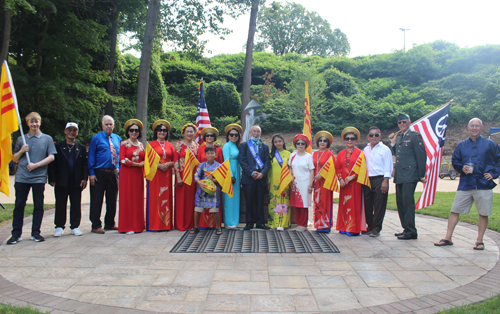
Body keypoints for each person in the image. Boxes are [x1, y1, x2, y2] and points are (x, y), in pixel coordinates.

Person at [435, 118, 500, 250]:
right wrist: (461, 168)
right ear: (468, 127)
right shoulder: (461, 145)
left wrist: (493, 174)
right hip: (466, 183)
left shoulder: (490, 144)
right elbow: (455, 160)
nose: (474, 128)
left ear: (482, 127)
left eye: (477, 126)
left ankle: (479, 241)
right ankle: (448, 237)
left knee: (483, 212)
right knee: (455, 210)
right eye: (472, 126)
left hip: (483, 184)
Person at [7, 112, 56, 244]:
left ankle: (36, 233)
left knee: (39, 205)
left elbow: (51, 156)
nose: (34, 124)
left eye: (36, 121)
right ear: (27, 123)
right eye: (31, 122)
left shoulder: (47, 139)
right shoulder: (21, 139)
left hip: (38, 177)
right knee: (19, 205)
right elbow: (15, 158)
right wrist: (22, 151)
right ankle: (16, 234)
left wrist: (36, 165)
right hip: (22, 177)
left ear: (40, 122)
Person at [389, 113, 427, 240]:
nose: (402, 124)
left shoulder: (415, 136)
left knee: (408, 202)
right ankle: (406, 228)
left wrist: (421, 174)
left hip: (410, 174)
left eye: (404, 122)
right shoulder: (399, 136)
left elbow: (421, 155)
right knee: (400, 203)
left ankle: (411, 231)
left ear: (409, 122)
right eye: (400, 122)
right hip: (400, 174)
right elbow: (397, 154)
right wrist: (393, 144)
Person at [48, 122, 88, 237]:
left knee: (76, 203)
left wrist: (84, 178)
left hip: (76, 180)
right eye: (69, 130)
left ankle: (75, 226)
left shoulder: (80, 147)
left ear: (77, 132)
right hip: (61, 179)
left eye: (74, 130)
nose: (72, 132)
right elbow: (52, 164)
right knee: (60, 203)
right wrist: (52, 178)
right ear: (65, 131)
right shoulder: (58, 146)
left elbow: (84, 164)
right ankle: (59, 226)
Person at [87, 115, 121, 234]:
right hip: (99, 173)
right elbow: (91, 156)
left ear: (114, 125)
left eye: (110, 124)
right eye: (106, 124)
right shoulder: (96, 138)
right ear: (102, 125)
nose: (108, 126)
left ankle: (110, 223)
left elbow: (120, 155)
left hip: (113, 173)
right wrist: (91, 173)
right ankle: (96, 224)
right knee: (97, 200)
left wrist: (119, 170)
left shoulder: (117, 138)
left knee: (112, 200)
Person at [336, 127, 368, 236]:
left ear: (356, 140)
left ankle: (353, 228)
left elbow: (362, 169)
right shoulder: (340, 153)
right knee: (344, 204)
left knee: (354, 203)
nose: (350, 140)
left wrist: (352, 177)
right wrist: (340, 179)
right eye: (347, 138)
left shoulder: (360, 153)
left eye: (352, 138)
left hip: (355, 183)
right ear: (344, 140)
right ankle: (343, 226)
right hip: (343, 183)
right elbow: (337, 168)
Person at [362, 126, 393, 237]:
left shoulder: (385, 149)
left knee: (379, 204)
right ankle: (369, 225)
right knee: (367, 204)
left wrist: (385, 181)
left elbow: (388, 166)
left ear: (380, 136)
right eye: (371, 135)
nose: (374, 137)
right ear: (368, 137)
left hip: (380, 179)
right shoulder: (365, 149)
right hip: (367, 179)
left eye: (376, 135)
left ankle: (376, 228)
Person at [239, 125, 271, 230]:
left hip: (261, 177)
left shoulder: (265, 146)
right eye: (254, 131)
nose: (256, 133)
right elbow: (242, 161)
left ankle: (260, 222)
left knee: (260, 201)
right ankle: (249, 223)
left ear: (260, 133)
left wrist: (262, 173)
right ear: (250, 133)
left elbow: (267, 163)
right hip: (249, 177)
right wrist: (251, 172)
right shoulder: (244, 145)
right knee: (249, 201)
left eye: (258, 131)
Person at [146, 119, 175, 231]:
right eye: (159, 130)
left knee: (166, 198)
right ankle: (154, 224)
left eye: (164, 130)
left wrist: (168, 164)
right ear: (156, 132)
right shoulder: (151, 145)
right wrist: (158, 166)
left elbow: (174, 161)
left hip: (166, 175)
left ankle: (166, 224)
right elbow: (147, 161)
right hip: (155, 175)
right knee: (155, 198)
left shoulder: (169, 145)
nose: (162, 132)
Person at [118, 119, 145, 234]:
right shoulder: (124, 144)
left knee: (137, 198)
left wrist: (143, 165)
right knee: (128, 198)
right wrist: (137, 164)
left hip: (138, 175)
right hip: (127, 175)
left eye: (136, 130)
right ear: (128, 132)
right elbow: (122, 159)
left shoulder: (142, 145)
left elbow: (145, 160)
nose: (134, 132)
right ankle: (127, 226)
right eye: (131, 130)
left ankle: (138, 225)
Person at [190, 146, 222, 235]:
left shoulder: (219, 166)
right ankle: (196, 227)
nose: (210, 155)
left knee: (214, 211)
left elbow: (221, 179)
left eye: (212, 153)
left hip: (213, 192)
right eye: (208, 153)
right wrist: (199, 183)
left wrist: (213, 180)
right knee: (198, 209)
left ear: (216, 154)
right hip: (202, 190)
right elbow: (196, 175)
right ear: (205, 155)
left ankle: (218, 227)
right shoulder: (202, 165)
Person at [174, 123, 199, 231]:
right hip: (182, 176)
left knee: (192, 200)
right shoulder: (179, 145)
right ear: (183, 133)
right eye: (187, 131)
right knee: (181, 201)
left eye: (191, 131)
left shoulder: (197, 146)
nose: (189, 133)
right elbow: (175, 161)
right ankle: (181, 224)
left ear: (194, 133)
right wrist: (178, 176)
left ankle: (192, 223)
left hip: (194, 176)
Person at [197, 126, 223, 229]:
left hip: (215, 181)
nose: (209, 137)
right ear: (204, 137)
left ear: (215, 137)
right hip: (203, 182)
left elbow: (221, 165)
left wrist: (215, 179)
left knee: (214, 205)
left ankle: (215, 226)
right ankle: (202, 225)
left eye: (212, 135)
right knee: (201, 204)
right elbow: (198, 164)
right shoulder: (200, 148)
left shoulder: (219, 149)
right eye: (207, 135)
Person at [289, 134, 315, 231]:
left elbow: (312, 170)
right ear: (295, 145)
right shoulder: (292, 155)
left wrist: (311, 184)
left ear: (306, 145)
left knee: (304, 204)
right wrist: (290, 179)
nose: (300, 145)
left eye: (302, 143)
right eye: (298, 143)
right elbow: (290, 168)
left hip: (305, 182)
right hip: (295, 182)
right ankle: (299, 223)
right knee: (297, 203)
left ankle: (303, 225)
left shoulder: (308, 156)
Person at [312, 131, 335, 233]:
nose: (322, 142)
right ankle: (318, 224)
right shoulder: (315, 153)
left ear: (328, 143)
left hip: (326, 183)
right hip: (316, 183)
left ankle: (326, 225)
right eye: (320, 140)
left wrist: (321, 175)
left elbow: (332, 168)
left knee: (325, 203)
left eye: (325, 141)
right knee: (317, 202)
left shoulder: (330, 154)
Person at [268, 134, 292, 231]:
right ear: (273, 143)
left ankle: (282, 223)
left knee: (284, 202)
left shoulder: (288, 154)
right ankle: (273, 223)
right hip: (273, 181)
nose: (278, 143)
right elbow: (268, 169)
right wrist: (268, 181)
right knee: (273, 202)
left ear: (284, 141)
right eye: (276, 142)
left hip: (284, 182)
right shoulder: (271, 154)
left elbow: (291, 168)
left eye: (280, 141)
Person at [222, 123, 242, 229]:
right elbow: (226, 161)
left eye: (236, 135)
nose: (234, 136)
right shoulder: (227, 146)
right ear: (228, 136)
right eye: (231, 135)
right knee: (229, 198)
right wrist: (231, 175)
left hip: (237, 173)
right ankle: (229, 222)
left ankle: (234, 221)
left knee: (235, 198)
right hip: (230, 174)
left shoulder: (236, 146)